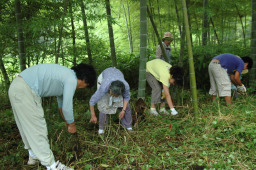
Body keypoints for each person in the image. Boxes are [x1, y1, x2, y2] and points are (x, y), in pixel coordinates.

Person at [8, 63, 96, 170]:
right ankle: (52, 165)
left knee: (26, 125)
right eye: (85, 86)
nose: (82, 88)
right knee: (37, 127)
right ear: (84, 80)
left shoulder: (65, 75)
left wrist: (67, 122)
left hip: (17, 87)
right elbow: (67, 107)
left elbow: (61, 105)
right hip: (26, 89)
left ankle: (33, 156)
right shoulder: (71, 79)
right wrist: (72, 125)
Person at [89, 67, 132, 135]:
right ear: (110, 89)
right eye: (113, 94)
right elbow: (92, 101)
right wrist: (93, 115)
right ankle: (101, 129)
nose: (114, 96)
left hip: (117, 74)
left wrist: (123, 110)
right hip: (103, 77)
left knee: (126, 106)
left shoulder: (125, 86)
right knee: (104, 104)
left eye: (116, 95)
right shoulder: (104, 87)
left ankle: (128, 127)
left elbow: (126, 98)